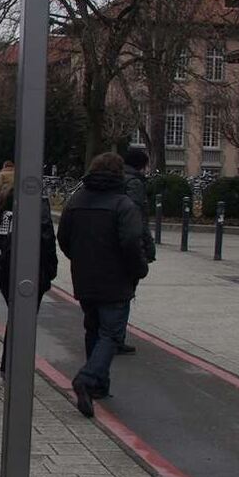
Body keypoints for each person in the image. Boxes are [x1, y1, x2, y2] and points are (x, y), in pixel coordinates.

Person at [58, 152, 149, 418]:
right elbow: (132, 241)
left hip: (85, 277)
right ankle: (87, 379)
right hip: (116, 279)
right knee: (112, 334)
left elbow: (64, 237)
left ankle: (98, 384)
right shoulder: (123, 204)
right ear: (119, 173)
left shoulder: (75, 201)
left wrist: (81, 258)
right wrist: (138, 269)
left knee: (93, 328)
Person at [0, 164, 58, 375]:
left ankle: (9, 363)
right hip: (31, 268)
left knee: (16, 315)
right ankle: (15, 365)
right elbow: (46, 238)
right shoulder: (38, 203)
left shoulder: (0, 201)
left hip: (3, 267)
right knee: (24, 317)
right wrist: (50, 269)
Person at [119, 148, 156, 355]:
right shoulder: (135, 183)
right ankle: (115, 336)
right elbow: (137, 219)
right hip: (128, 246)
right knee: (124, 293)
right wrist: (147, 249)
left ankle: (108, 334)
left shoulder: (117, 177)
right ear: (141, 165)